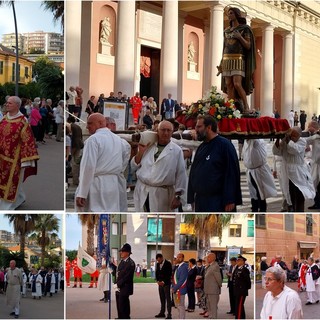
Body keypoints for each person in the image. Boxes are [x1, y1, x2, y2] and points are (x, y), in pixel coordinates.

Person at [75, 113, 129, 211]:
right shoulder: (119, 140)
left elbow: (88, 166)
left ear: (100, 123)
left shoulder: (93, 140)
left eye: (90, 123)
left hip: (96, 185)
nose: (87, 127)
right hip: (113, 184)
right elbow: (125, 157)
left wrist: (82, 193)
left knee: (95, 212)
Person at [188, 115, 242, 212]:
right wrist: (191, 196)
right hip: (200, 200)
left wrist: (230, 199)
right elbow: (194, 172)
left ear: (208, 127)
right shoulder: (201, 147)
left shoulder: (225, 145)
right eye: (196, 126)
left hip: (217, 200)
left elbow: (232, 173)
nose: (196, 129)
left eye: (199, 127)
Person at [131, 120, 187, 212]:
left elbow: (181, 174)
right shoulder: (148, 146)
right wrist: (141, 152)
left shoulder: (176, 151)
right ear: (157, 131)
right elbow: (134, 166)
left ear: (172, 132)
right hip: (143, 190)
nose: (165, 133)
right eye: (163, 130)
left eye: (168, 130)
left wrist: (178, 196)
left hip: (163, 194)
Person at [0, 96, 39, 210]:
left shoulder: (23, 121)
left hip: (14, 159)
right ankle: (20, 197)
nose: (7, 105)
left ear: (17, 105)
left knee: (12, 181)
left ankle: (6, 206)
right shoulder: (4, 118)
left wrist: (26, 159)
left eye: (10, 103)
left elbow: (28, 140)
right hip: (2, 157)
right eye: (6, 103)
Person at [217, 7, 256, 113]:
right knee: (228, 84)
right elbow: (224, 47)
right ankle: (231, 107)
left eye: (231, 13)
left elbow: (248, 46)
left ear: (236, 15)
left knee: (237, 84)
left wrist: (239, 37)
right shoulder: (226, 31)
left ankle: (246, 107)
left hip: (238, 59)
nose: (228, 15)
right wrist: (221, 63)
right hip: (227, 59)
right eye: (228, 14)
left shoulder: (245, 29)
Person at [272, 126, 315, 211]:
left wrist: (288, 140)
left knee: (299, 193)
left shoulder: (302, 141)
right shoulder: (286, 141)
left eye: (294, 136)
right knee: (288, 193)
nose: (292, 137)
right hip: (286, 171)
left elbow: (294, 150)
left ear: (299, 135)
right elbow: (276, 152)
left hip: (297, 171)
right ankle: (290, 209)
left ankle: (299, 211)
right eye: (291, 135)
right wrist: (278, 140)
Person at [242, 139, 277, 212]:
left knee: (260, 192)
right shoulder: (246, 141)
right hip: (250, 170)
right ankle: (254, 208)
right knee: (253, 192)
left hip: (259, 171)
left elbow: (255, 142)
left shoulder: (257, 142)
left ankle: (262, 209)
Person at [115, 243, 135, 319]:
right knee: (119, 304)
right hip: (119, 287)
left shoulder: (131, 263)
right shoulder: (122, 261)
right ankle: (120, 317)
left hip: (125, 287)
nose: (121, 253)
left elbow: (127, 277)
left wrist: (118, 284)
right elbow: (118, 272)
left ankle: (125, 317)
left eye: (122, 251)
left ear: (127, 252)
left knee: (124, 305)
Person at [306, 120, 320, 209]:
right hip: (316, 163)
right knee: (313, 183)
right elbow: (306, 141)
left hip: (318, 163)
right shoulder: (314, 137)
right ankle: (317, 203)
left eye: (309, 126)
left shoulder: (316, 137)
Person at [203, 253, 222, 319]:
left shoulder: (215, 266)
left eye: (209, 257)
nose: (207, 259)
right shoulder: (210, 266)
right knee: (209, 306)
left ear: (213, 258)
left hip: (213, 290)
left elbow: (218, 279)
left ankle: (214, 318)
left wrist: (218, 287)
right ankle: (211, 317)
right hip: (208, 290)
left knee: (213, 307)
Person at [233, 255, 251, 319]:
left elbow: (247, 281)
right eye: (237, 260)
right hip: (237, 290)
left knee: (239, 305)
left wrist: (245, 289)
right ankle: (242, 317)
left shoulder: (244, 270)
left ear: (242, 261)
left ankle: (239, 317)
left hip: (241, 291)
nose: (237, 261)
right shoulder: (237, 269)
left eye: (239, 260)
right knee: (238, 305)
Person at [155, 253, 172, 319]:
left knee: (168, 299)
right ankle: (162, 312)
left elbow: (169, 274)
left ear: (162, 258)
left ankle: (169, 314)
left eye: (159, 260)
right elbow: (157, 273)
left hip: (166, 284)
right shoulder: (157, 264)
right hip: (160, 284)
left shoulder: (168, 264)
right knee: (162, 299)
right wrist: (158, 281)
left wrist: (163, 281)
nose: (158, 262)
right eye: (157, 261)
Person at [172, 253, 188, 320]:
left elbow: (181, 280)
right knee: (178, 306)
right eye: (177, 257)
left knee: (181, 306)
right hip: (177, 289)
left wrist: (174, 288)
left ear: (183, 258)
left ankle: (182, 318)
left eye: (180, 257)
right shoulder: (179, 266)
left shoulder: (184, 267)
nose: (178, 258)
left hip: (180, 290)